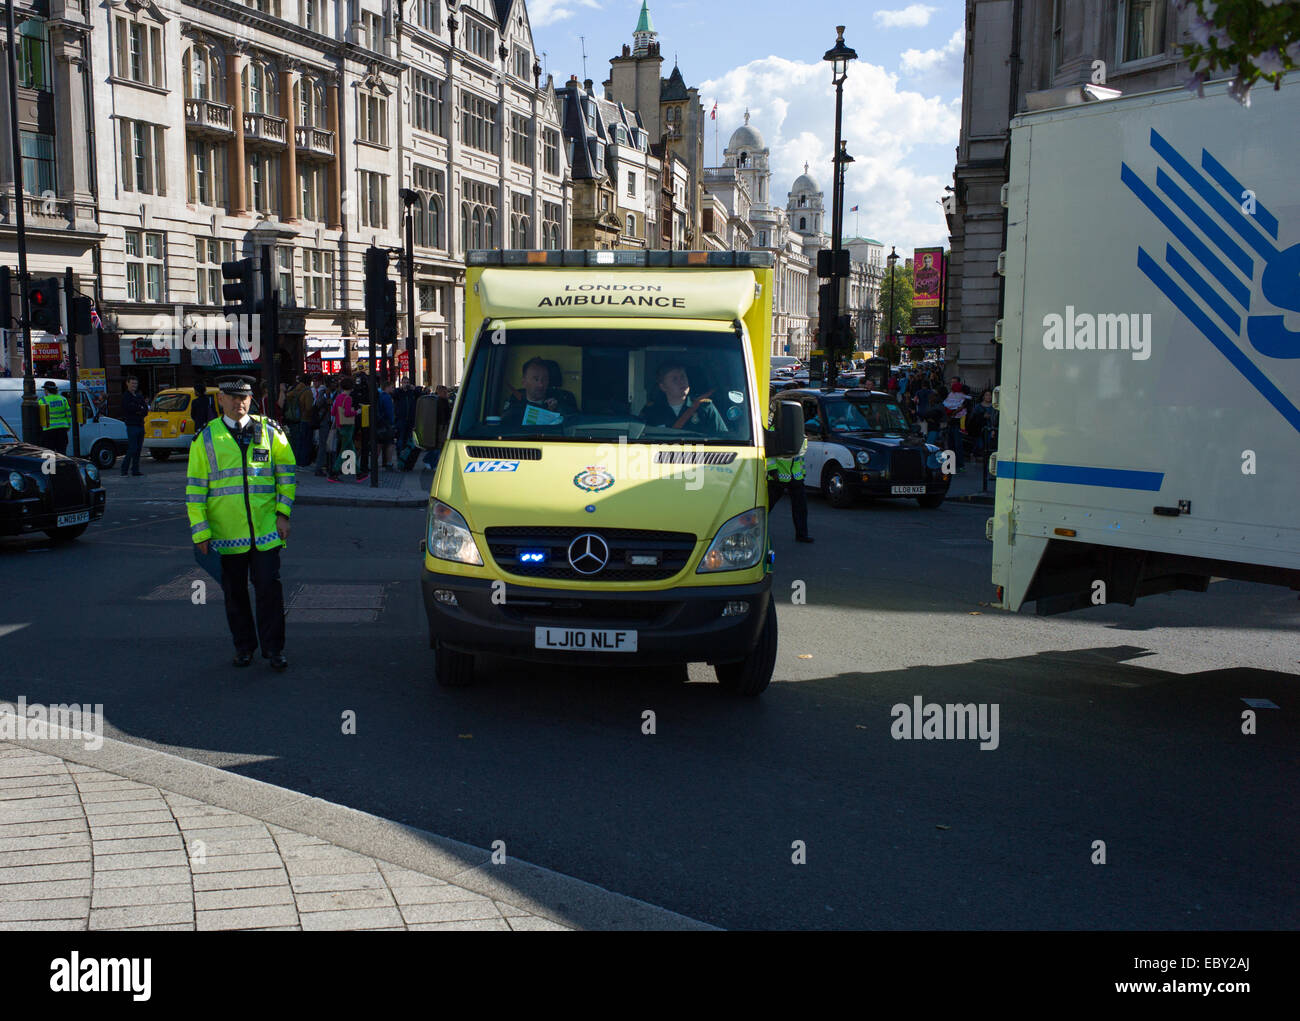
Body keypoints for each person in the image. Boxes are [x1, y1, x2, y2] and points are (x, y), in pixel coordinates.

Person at [186, 376, 295, 671]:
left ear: (251, 398)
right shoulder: (206, 438)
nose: (239, 403)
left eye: (244, 397)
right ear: (220, 399)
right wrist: (201, 532)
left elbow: (286, 475)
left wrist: (283, 514)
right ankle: (244, 646)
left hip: (266, 532)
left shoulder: (271, 432)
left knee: (269, 590)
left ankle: (274, 649)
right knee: (235, 594)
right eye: (232, 397)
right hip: (226, 534)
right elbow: (195, 490)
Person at [639, 363, 727, 434]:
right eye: (674, 379)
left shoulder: (705, 407)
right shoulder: (651, 411)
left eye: (683, 377)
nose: (681, 381)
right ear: (663, 387)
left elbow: (723, 439)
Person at [766, 415, 813, 543]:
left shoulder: (800, 431)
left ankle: (802, 534)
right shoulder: (773, 430)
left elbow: (801, 456)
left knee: (801, 508)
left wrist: (802, 473)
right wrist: (772, 470)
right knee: (765, 507)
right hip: (777, 477)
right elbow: (768, 453)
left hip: (795, 476)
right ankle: (757, 533)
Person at [501, 357, 577, 426]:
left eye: (545, 379)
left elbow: (573, 424)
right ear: (524, 382)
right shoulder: (514, 401)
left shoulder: (563, 399)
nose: (541, 384)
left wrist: (554, 412)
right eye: (536, 379)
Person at [119, 375, 149, 476]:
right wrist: (139, 408)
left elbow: (145, 410)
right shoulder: (126, 397)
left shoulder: (139, 396)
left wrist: (139, 409)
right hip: (132, 425)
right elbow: (129, 409)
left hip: (140, 425)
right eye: (132, 383)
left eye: (135, 383)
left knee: (138, 449)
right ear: (127, 383)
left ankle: (135, 470)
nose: (134, 385)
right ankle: (124, 469)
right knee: (132, 448)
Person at [329, 378, 358, 480]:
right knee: (346, 450)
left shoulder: (338, 397)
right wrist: (357, 412)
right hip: (348, 427)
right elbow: (347, 413)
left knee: (350, 449)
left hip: (339, 425)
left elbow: (333, 412)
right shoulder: (348, 398)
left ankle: (358, 472)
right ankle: (334, 471)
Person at [37, 381, 72, 454]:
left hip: (48, 430)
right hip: (62, 429)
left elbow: (40, 416)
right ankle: (62, 465)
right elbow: (68, 414)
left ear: (47, 390)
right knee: (62, 453)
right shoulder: (63, 399)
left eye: (44, 390)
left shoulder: (42, 400)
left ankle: (52, 466)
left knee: (49, 454)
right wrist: (68, 426)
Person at [313, 376, 338, 476]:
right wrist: (325, 399)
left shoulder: (337, 393)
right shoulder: (323, 393)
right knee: (323, 445)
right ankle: (319, 468)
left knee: (333, 445)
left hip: (334, 422)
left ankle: (331, 467)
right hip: (325, 422)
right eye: (332, 383)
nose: (334, 385)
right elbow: (317, 405)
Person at [377, 381, 396, 468]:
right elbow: (390, 412)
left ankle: (374, 461)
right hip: (387, 423)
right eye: (392, 387)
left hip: (379, 423)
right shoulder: (387, 397)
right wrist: (392, 422)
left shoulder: (379, 396)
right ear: (387, 387)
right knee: (390, 443)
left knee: (379, 443)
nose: (393, 389)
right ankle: (388, 462)